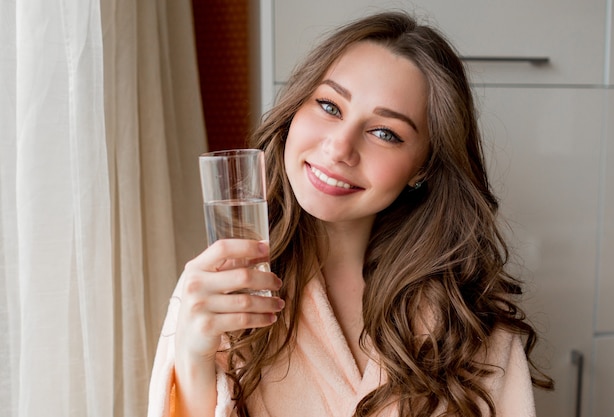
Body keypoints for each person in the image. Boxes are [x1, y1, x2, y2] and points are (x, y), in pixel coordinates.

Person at [147, 11, 553, 417]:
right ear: (294, 110)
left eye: (384, 133)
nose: (339, 147)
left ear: (424, 166)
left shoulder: (469, 314)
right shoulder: (223, 288)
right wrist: (191, 355)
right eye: (328, 105)